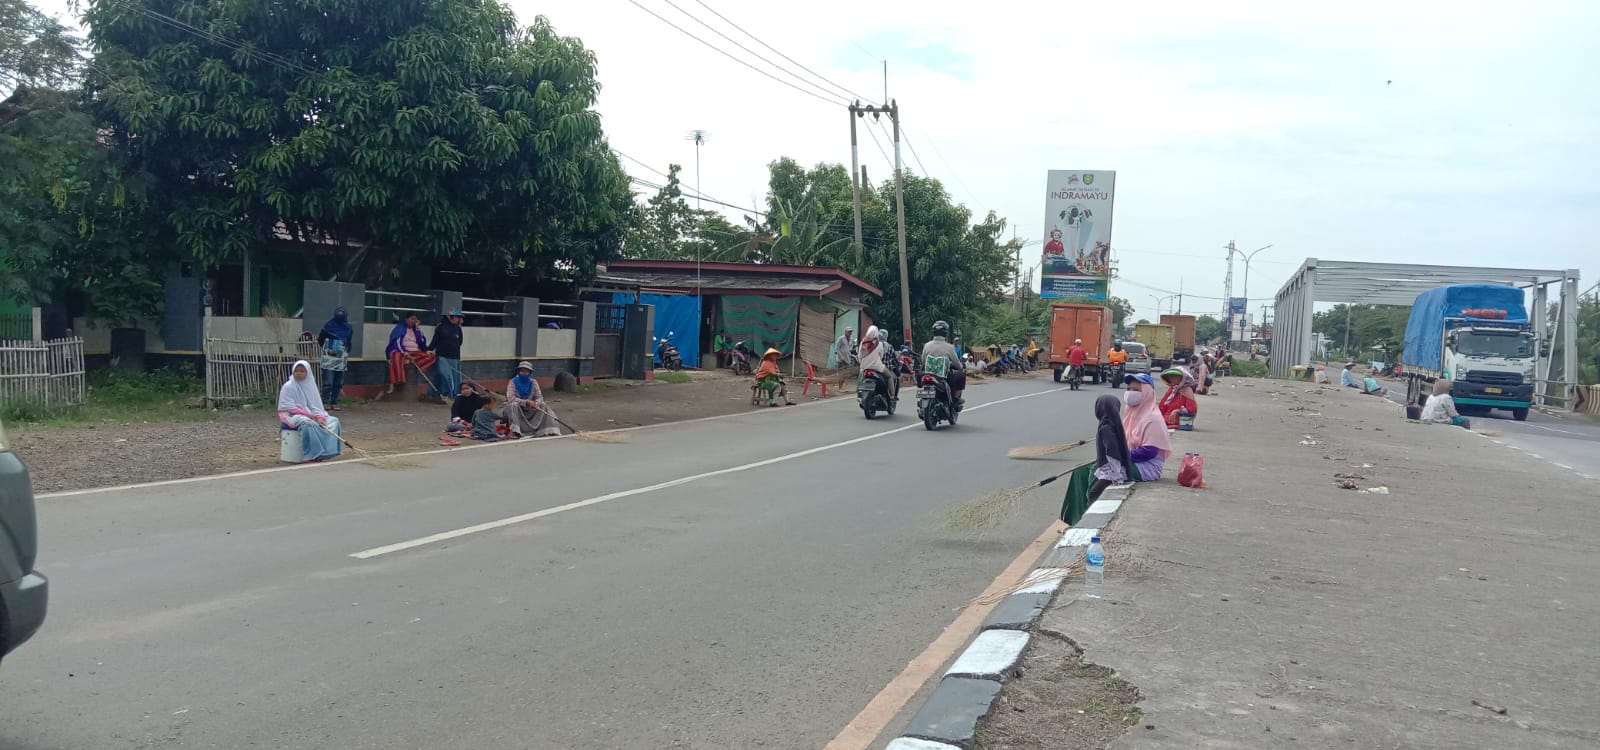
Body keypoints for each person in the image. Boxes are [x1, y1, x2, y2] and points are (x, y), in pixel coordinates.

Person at [278, 360, 342, 462]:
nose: (299, 373)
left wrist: (320, 417)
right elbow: (289, 408)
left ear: (307, 373)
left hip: (311, 415)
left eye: (302, 371)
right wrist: (311, 416)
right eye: (296, 371)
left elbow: (316, 407)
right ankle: (311, 454)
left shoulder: (311, 386)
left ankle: (326, 451)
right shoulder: (288, 386)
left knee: (333, 421)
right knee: (307, 423)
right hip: (291, 415)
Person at [1121, 373, 1172, 480]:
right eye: (1128, 389)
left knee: (1105, 473)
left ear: (1146, 392)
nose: (1130, 392)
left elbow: (1149, 451)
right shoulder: (1130, 413)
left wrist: (1120, 456)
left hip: (1146, 467)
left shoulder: (1153, 418)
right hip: (1131, 461)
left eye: (1135, 389)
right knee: (1095, 469)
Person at [1088, 394, 1139, 501]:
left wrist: (1116, 476)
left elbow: (1111, 451)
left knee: (1094, 494)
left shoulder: (1106, 427)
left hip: (1111, 473)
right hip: (1113, 471)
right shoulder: (1113, 424)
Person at [501, 361, 562, 437]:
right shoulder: (513, 382)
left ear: (530, 373)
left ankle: (548, 430)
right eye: (522, 371)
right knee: (513, 405)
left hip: (530, 409)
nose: (524, 373)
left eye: (526, 371)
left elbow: (539, 397)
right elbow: (511, 398)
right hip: (516, 409)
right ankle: (515, 431)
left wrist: (536, 403)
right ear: (519, 371)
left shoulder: (534, 382)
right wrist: (526, 402)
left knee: (543, 405)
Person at [385, 313, 437, 395]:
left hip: (415, 352)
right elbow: (397, 343)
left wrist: (417, 329)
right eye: (412, 319)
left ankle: (415, 363)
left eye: (415, 319)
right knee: (396, 358)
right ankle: (398, 380)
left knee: (431, 357)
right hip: (401, 351)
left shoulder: (417, 330)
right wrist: (405, 353)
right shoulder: (400, 328)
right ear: (406, 319)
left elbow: (422, 343)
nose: (413, 321)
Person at [315, 306, 354, 409]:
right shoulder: (328, 326)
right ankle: (325, 402)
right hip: (329, 359)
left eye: (342, 314)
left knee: (338, 382)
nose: (340, 316)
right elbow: (320, 340)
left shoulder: (348, 328)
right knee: (327, 382)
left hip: (341, 360)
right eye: (338, 314)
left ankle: (334, 402)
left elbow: (348, 342)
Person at [920, 320, 966, 405]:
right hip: (942, 376)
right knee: (961, 375)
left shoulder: (927, 345)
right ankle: (955, 399)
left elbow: (923, 361)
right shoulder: (950, 347)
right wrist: (961, 367)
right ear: (945, 333)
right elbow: (957, 364)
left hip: (928, 374)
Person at [429, 309, 465, 402]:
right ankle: (443, 394)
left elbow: (460, 342)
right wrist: (428, 350)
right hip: (442, 356)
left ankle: (453, 395)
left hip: (455, 356)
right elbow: (435, 340)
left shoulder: (458, 328)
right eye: (457, 317)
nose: (459, 320)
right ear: (450, 317)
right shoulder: (440, 327)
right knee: (445, 375)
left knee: (455, 377)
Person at [858, 324, 899, 404]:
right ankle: (892, 396)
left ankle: (859, 395)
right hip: (877, 367)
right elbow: (881, 356)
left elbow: (859, 355)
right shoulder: (878, 344)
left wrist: (862, 364)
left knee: (861, 378)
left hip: (864, 366)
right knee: (890, 376)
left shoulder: (863, 342)